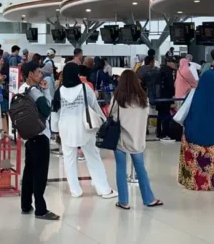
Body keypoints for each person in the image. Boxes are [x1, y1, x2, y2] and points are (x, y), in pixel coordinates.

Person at [52, 63, 116, 199]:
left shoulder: (60, 91)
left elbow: (55, 111)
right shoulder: (84, 88)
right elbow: (94, 106)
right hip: (85, 128)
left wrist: (55, 129)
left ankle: (75, 190)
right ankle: (103, 189)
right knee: (93, 158)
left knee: (69, 160)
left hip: (66, 129)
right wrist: (103, 121)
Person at [177, 70, 214, 191]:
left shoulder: (193, 93)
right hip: (213, 137)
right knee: (212, 156)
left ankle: (192, 182)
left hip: (192, 136)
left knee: (190, 151)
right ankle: (211, 183)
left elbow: (185, 109)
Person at [111, 70, 162, 209]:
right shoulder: (143, 98)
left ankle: (124, 201)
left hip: (120, 139)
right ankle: (148, 198)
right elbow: (146, 115)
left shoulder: (118, 98)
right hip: (137, 139)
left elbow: (113, 117)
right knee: (141, 169)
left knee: (121, 169)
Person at [17, 61, 59, 220]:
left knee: (29, 170)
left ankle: (26, 204)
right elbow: (47, 109)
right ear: (30, 75)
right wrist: (47, 91)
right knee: (40, 173)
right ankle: (41, 210)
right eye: (38, 72)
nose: (41, 75)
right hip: (40, 135)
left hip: (28, 135)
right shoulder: (34, 91)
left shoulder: (22, 88)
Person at [157, 56, 177, 141]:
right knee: (166, 114)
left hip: (159, 96)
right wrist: (173, 94)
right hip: (166, 96)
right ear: (169, 62)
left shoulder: (160, 70)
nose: (175, 64)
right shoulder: (170, 72)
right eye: (173, 62)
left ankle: (159, 132)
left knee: (160, 114)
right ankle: (165, 133)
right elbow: (170, 85)